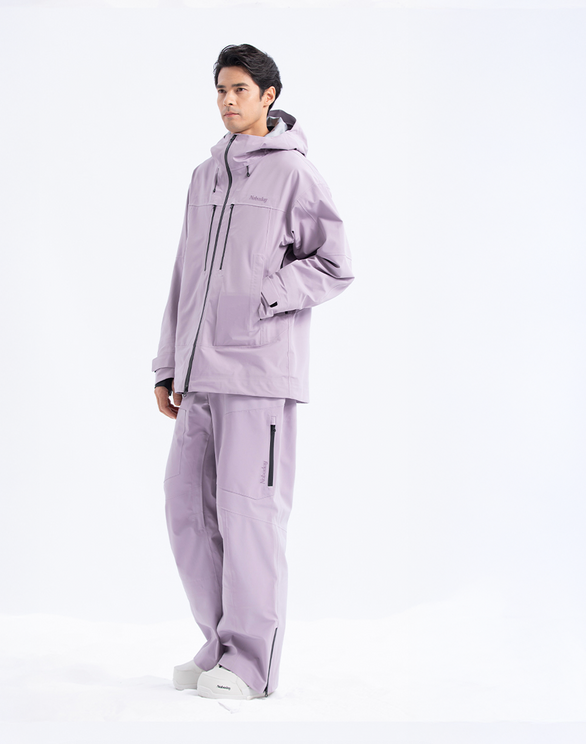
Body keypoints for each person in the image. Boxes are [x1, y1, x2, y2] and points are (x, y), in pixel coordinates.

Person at [152, 43, 354, 700]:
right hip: (199, 376)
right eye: (220, 89)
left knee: (249, 521)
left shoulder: (294, 173)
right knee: (186, 511)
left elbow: (334, 263)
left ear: (269, 96)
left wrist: (266, 294)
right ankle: (217, 646)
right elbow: (185, 274)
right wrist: (167, 364)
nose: (228, 100)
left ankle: (250, 665)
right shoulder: (204, 176)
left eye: (240, 89)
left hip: (258, 375)